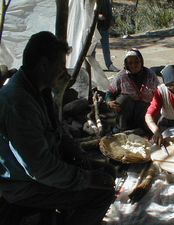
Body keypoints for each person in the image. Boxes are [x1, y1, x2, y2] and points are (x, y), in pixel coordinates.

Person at [0, 31, 116, 225]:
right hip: (25, 186)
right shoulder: (19, 104)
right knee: (102, 192)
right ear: (44, 64)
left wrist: (77, 152)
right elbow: (40, 170)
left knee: (109, 172)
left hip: (45, 169)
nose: (65, 72)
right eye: (62, 65)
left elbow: (58, 128)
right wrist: (86, 179)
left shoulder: (39, 89)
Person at [105, 48, 160, 134]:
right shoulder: (121, 76)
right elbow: (110, 93)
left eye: (136, 62)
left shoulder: (150, 74)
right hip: (128, 112)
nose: (134, 65)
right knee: (123, 100)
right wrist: (109, 102)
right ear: (126, 64)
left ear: (141, 61)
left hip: (145, 111)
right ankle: (121, 128)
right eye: (130, 63)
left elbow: (159, 93)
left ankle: (147, 127)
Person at [94, 0, 119, 72]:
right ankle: (92, 67)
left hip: (104, 25)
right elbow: (88, 11)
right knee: (92, 48)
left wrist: (111, 20)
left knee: (106, 48)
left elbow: (109, 9)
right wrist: (97, 16)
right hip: (95, 27)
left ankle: (109, 65)